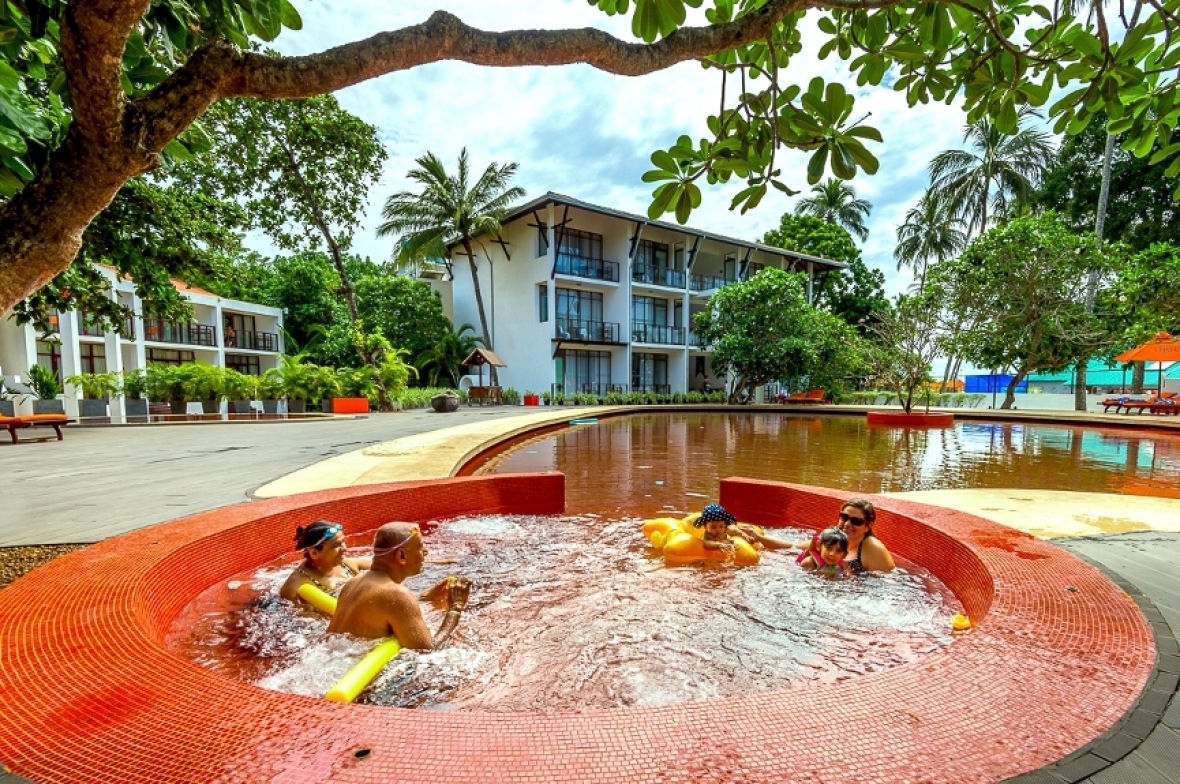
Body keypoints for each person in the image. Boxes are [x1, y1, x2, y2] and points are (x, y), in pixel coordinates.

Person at [328, 522, 471, 649]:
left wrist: (429, 596)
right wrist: (455, 608)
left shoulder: (355, 581)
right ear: (401, 556)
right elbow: (427, 650)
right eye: (420, 547)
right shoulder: (396, 594)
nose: (425, 552)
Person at [742, 498, 895, 574]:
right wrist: (760, 538)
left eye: (856, 521)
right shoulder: (832, 538)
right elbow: (792, 547)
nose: (848, 524)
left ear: (868, 525)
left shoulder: (872, 548)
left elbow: (888, 583)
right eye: (844, 517)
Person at [280, 520, 372, 603]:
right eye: (336, 545)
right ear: (314, 553)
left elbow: (383, 566)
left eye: (343, 541)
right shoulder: (295, 588)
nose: (345, 548)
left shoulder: (348, 565)